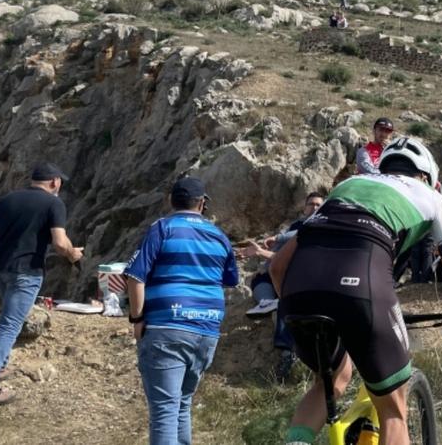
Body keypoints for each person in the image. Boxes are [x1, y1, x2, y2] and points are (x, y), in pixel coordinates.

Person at [270, 138, 442, 445]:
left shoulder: (348, 186)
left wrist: (301, 307)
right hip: (363, 282)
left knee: (330, 381)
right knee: (393, 410)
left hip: (298, 288)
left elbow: (277, 268)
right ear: (427, 175)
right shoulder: (431, 196)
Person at [125, 177, 238, 445]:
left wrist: (137, 317)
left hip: (167, 326)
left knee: (165, 410)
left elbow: (135, 277)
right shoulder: (219, 235)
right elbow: (230, 279)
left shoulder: (162, 228)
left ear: (170, 200)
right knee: (182, 405)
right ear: (202, 203)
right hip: (207, 329)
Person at [0, 163, 84, 407]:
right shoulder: (54, 204)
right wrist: (74, 255)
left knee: (6, 321)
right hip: (26, 272)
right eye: (60, 182)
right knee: (10, 326)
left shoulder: (8, 199)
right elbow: (60, 243)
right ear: (54, 182)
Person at [243, 192, 324, 380]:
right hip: (286, 274)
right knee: (260, 279)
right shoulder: (295, 227)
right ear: (304, 208)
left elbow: (291, 257)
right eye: (311, 204)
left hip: (307, 276)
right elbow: (278, 255)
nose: (314, 208)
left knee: (286, 302)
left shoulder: (321, 225)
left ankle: (288, 355)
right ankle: (266, 303)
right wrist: (264, 266)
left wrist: (265, 249)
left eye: (318, 205)